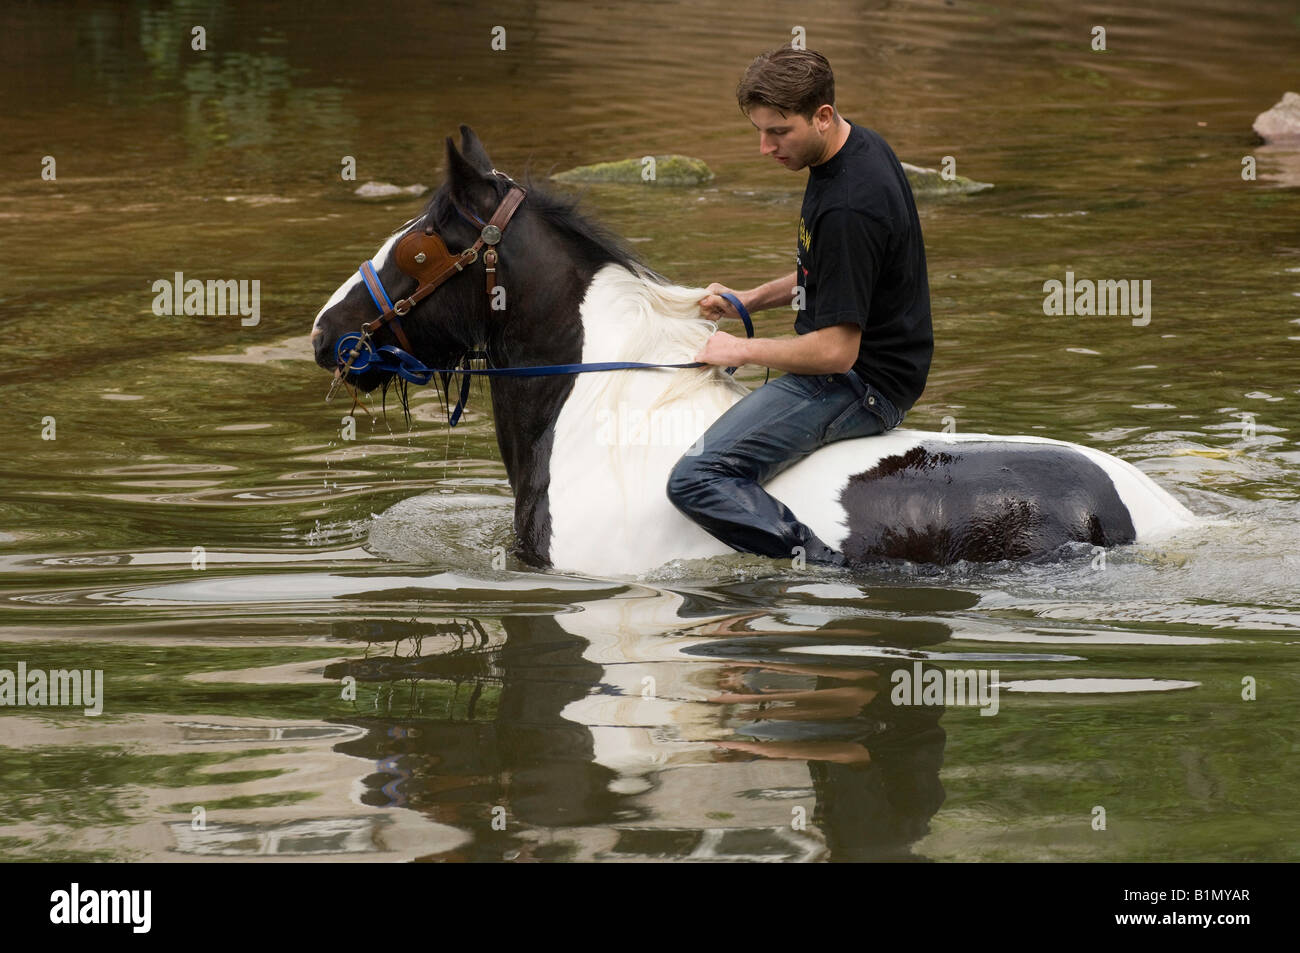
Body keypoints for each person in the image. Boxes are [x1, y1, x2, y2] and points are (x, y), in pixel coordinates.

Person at [667, 46, 933, 567]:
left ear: (823, 116)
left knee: (697, 478)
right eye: (759, 131)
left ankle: (823, 569)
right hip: (866, 365)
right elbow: (830, 271)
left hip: (864, 383)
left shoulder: (851, 204)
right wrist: (752, 298)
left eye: (778, 132)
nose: (764, 148)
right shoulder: (852, 148)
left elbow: (836, 353)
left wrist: (738, 351)